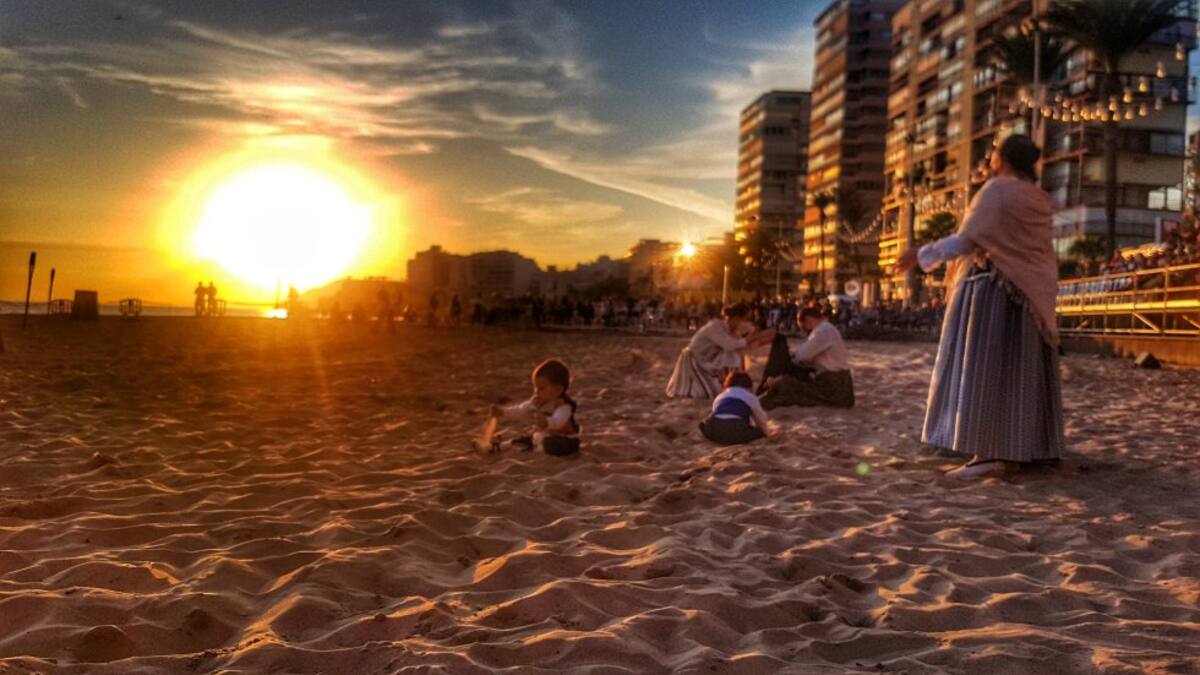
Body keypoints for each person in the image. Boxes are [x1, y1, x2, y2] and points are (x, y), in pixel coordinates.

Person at [896, 134, 1064, 479]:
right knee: (1020, 371)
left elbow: (968, 241)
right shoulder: (1038, 197)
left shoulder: (997, 191)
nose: (990, 158)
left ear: (1003, 158)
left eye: (994, 153)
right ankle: (1027, 448)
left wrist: (920, 254)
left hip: (995, 292)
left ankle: (989, 452)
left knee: (986, 369)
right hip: (1030, 294)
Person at [665, 303, 774, 399]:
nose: (746, 323)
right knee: (732, 359)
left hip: (707, 358)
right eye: (745, 319)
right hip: (695, 360)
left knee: (735, 357)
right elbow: (729, 345)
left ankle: (734, 384)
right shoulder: (715, 326)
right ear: (736, 318)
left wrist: (757, 337)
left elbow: (739, 346)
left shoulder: (728, 329)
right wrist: (750, 339)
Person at [759, 306, 855, 409]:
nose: (803, 331)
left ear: (808, 320)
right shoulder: (827, 329)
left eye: (803, 327)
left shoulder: (822, 331)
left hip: (833, 386)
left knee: (785, 384)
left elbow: (802, 357)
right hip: (839, 384)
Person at [487, 359, 580, 456]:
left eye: (542, 388)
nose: (537, 392)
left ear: (558, 390)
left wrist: (547, 422)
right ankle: (495, 448)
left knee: (549, 443)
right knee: (523, 440)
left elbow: (559, 421)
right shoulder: (537, 401)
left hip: (565, 440)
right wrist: (503, 412)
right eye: (536, 388)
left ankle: (538, 448)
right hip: (544, 436)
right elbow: (521, 410)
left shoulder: (563, 406)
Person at [700, 372, 773, 446]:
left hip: (713, 426)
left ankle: (711, 434)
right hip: (734, 427)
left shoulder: (720, 396)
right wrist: (765, 432)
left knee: (706, 425)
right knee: (758, 432)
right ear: (749, 386)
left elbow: (715, 412)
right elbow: (760, 417)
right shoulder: (750, 396)